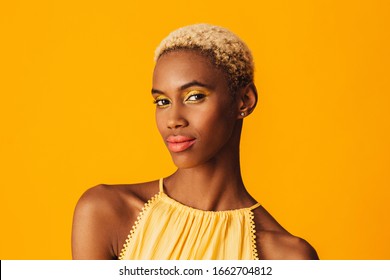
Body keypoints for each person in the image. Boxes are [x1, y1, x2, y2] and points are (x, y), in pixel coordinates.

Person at [71, 23, 319, 260]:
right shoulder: (107, 213)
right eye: (162, 101)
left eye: (194, 96)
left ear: (244, 101)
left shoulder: (286, 257)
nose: (173, 120)